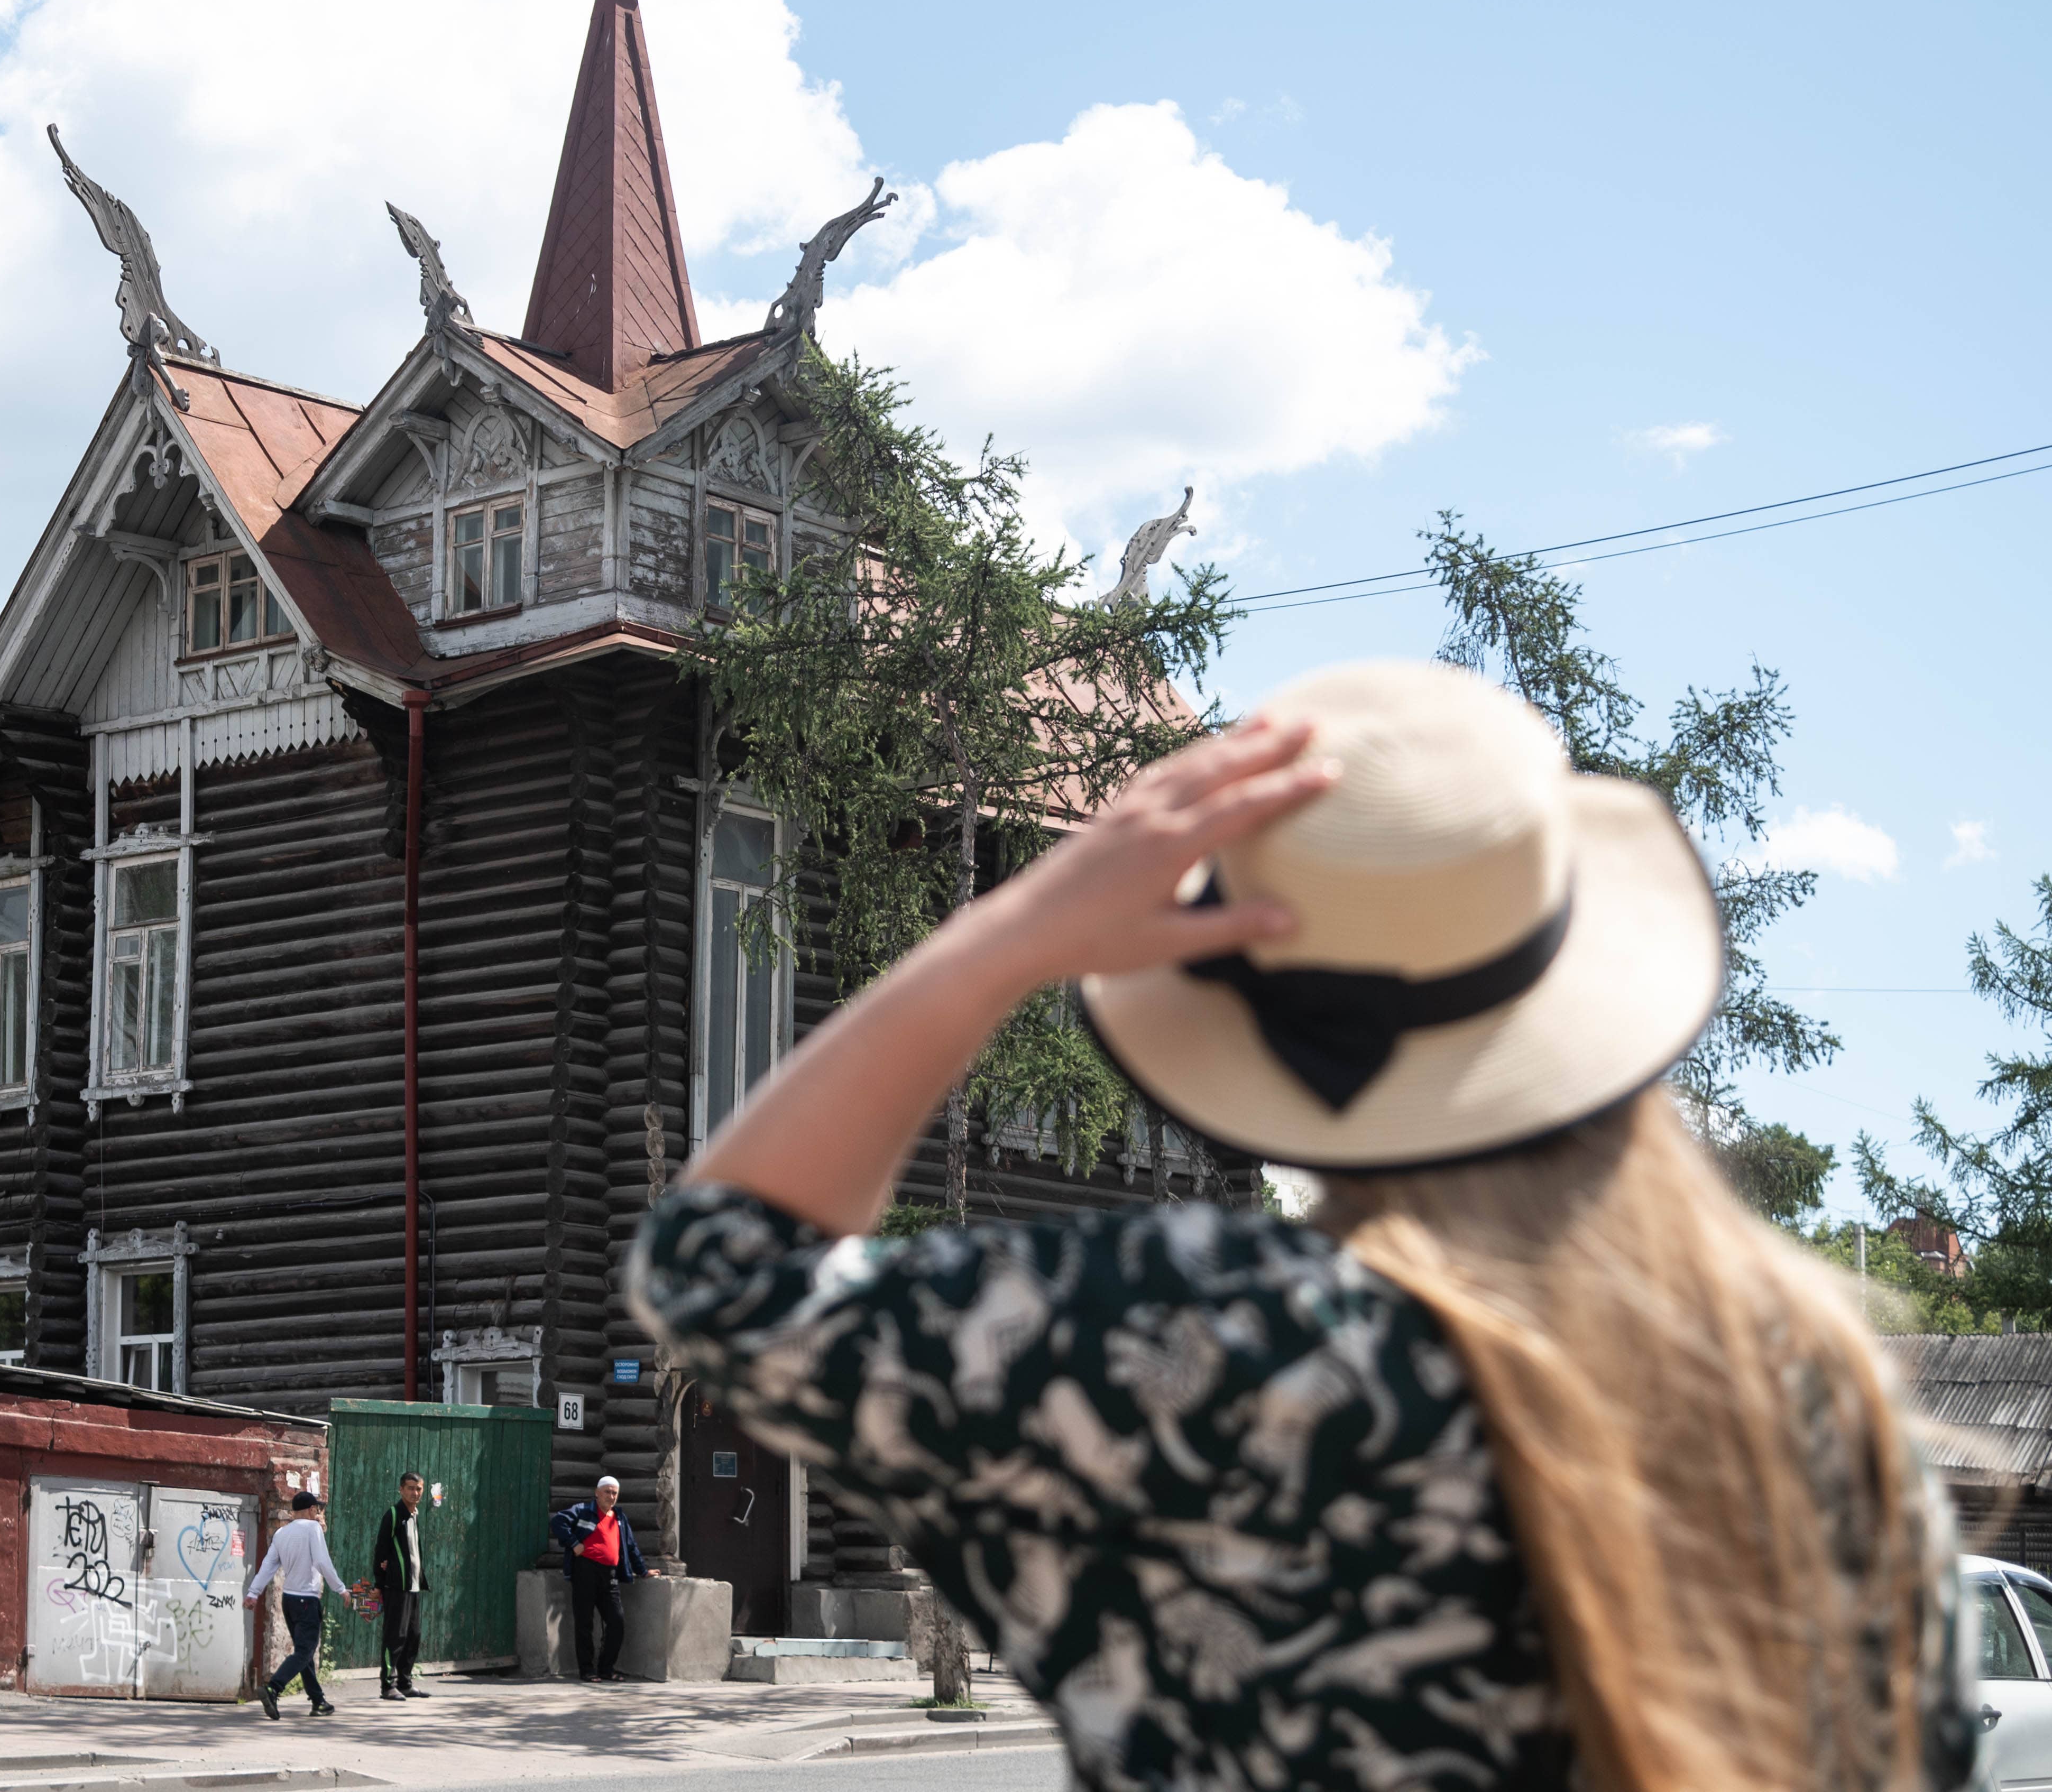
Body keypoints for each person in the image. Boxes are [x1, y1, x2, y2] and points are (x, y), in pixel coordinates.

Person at [633, 662, 1977, 1790]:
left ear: (1244, 1019)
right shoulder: (1817, 1395)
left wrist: (1010, 931)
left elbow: (719, 1269)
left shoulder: (1194, 1344)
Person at [243, 1489, 352, 1719]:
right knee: (304, 1652)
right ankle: (274, 1688)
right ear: (312, 1510)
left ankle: (318, 1701)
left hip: (289, 1600)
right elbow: (323, 1562)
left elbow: (269, 1565)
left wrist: (254, 1593)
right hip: (307, 1600)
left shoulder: (282, 1533)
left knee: (305, 1652)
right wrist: (341, 1588)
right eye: (318, 1510)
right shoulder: (313, 1528)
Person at [548, 1473, 650, 1683]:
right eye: (607, 1492)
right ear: (597, 1493)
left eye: (615, 1493)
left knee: (617, 1622)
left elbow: (631, 1546)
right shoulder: (584, 1511)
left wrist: (643, 1571)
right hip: (585, 1571)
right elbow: (558, 1521)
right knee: (585, 1623)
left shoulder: (620, 1518)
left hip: (609, 1575)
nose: (611, 1497)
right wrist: (574, 1543)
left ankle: (606, 1668)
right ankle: (587, 1670)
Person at [370, 1472, 430, 1700]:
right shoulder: (394, 1514)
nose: (415, 1493)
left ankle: (405, 1682)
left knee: (413, 1636)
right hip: (396, 1586)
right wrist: (379, 1583)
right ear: (401, 1490)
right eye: (411, 1488)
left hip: (413, 1586)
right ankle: (388, 1686)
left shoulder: (414, 1515)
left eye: (419, 1489)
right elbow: (381, 1550)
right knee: (395, 1636)